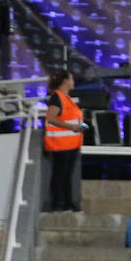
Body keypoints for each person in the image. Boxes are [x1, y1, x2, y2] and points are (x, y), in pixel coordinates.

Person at [44, 68, 86, 212]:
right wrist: (71, 126)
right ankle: (58, 203)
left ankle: (68, 203)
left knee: (67, 174)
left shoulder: (66, 98)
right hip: (60, 144)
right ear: (65, 81)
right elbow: (51, 118)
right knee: (60, 174)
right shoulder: (57, 98)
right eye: (71, 79)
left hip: (71, 143)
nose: (73, 82)